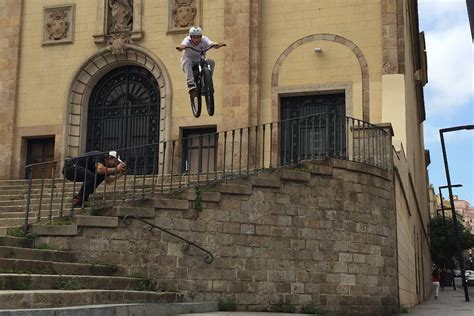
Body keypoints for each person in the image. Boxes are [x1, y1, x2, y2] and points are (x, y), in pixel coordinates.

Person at [62, 151, 126, 207]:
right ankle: (79, 200)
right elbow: (99, 169)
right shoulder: (100, 155)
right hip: (70, 167)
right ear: (109, 158)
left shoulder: (105, 167)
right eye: (115, 161)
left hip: (78, 171)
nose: (115, 164)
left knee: (99, 176)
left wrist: (120, 174)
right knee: (91, 176)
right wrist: (117, 169)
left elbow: (108, 180)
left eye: (117, 163)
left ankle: (82, 198)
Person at [176, 26, 224, 98]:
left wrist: (217, 44)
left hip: (200, 61)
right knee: (187, 61)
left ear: (201, 37)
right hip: (189, 62)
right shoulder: (187, 40)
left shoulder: (204, 40)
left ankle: (207, 82)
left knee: (211, 62)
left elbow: (212, 44)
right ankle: (191, 86)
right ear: (191, 37)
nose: (196, 40)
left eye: (198, 37)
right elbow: (183, 45)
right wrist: (181, 47)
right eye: (194, 38)